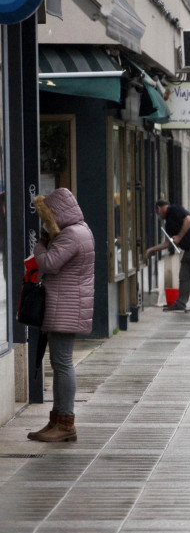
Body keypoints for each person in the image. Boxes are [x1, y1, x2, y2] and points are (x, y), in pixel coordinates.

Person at [28, 188, 95, 442]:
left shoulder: (71, 235)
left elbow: (48, 263)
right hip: (66, 305)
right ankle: (57, 418)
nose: (46, 222)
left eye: (47, 216)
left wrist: (40, 244)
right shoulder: (81, 230)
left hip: (66, 307)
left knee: (63, 363)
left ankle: (65, 423)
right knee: (58, 363)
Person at [145, 200, 190, 312]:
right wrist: (151, 250)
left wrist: (179, 236)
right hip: (188, 249)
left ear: (159, 208)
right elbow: (168, 243)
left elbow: (188, 219)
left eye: (157, 212)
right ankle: (181, 303)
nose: (158, 215)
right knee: (184, 276)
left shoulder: (174, 209)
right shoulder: (168, 223)